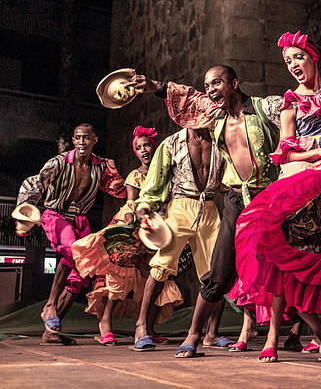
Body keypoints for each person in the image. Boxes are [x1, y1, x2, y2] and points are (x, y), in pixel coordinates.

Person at [233, 31, 321, 364]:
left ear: (313, 57)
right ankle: (273, 337)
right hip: (303, 186)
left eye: (298, 57)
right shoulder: (291, 102)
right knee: (283, 262)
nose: (293, 65)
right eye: (288, 61)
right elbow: (285, 154)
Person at [129, 65, 281, 357]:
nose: (209, 92)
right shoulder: (190, 132)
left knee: (254, 267)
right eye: (207, 86)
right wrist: (156, 86)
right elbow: (155, 180)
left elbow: (299, 112)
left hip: (240, 201)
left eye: (217, 83)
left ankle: (218, 333)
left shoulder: (243, 116)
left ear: (234, 84)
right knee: (187, 269)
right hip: (202, 204)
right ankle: (166, 330)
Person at [14, 123, 126, 344]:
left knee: (79, 278)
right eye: (78, 138)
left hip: (80, 221)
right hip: (56, 215)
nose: (82, 142)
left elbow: (121, 190)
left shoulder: (102, 167)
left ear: (95, 140)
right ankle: (49, 306)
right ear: (74, 141)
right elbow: (35, 185)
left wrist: (133, 179)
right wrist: (24, 214)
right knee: (72, 249)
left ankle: (51, 332)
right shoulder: (58, 163)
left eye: (86, 138)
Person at [72, 126, 182, 346]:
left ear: (155, 147)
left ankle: (148, 329)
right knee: (122, 275)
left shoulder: (167, 172)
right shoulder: (136, 175)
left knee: (158, 276)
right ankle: (106, 323)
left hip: (161, 230)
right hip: (137, 227)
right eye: (139, 147)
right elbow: (131, 202)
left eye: (147, 145)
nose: (144, 150)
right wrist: (131, 218)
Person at [123, 126, 226, 353]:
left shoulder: (220, 137)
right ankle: (141, 327)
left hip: (209, 208)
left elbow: (229, 177)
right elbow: (154, 182)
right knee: (161, 266)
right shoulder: (171, 143)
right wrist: (144, 207)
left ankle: (211, 333)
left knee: (217, 272)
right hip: (180, 207)